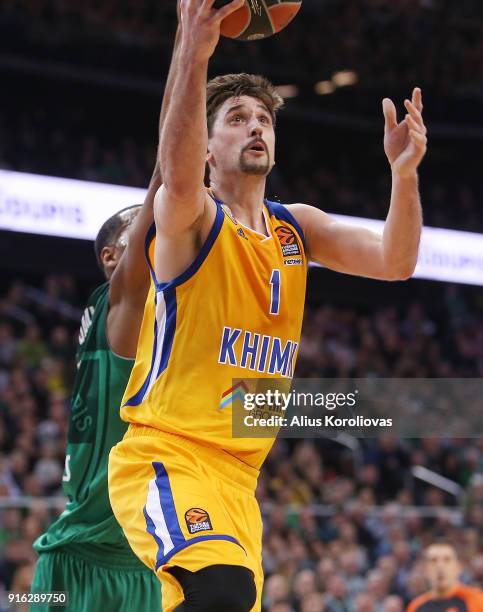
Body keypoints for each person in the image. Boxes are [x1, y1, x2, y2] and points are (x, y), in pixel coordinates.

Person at [108, 1, 427, 610]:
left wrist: (404, 175)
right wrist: (195, 51)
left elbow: (396, 260)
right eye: (235, 118)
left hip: (241, 478)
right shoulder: (193, 220)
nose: (255, 126)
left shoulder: (295, 229)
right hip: (169, 453)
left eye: (263, 118)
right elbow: (175, 178)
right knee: (220, 590)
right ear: (207, 146)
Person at [29, 23, 181, 612]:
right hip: (81, 561)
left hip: (145, 563)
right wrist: (188, 51)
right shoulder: (119, 301)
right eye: (140, 228)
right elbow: (168, 174)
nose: (158, 231)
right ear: (111, 258)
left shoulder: (158, 318)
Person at [407, 542, 483, 611]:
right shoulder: (416, 606)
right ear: (425, 569)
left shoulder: (476, 600)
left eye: (447, 560)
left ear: (458, 567)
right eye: (434, 560)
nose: (440, 566)